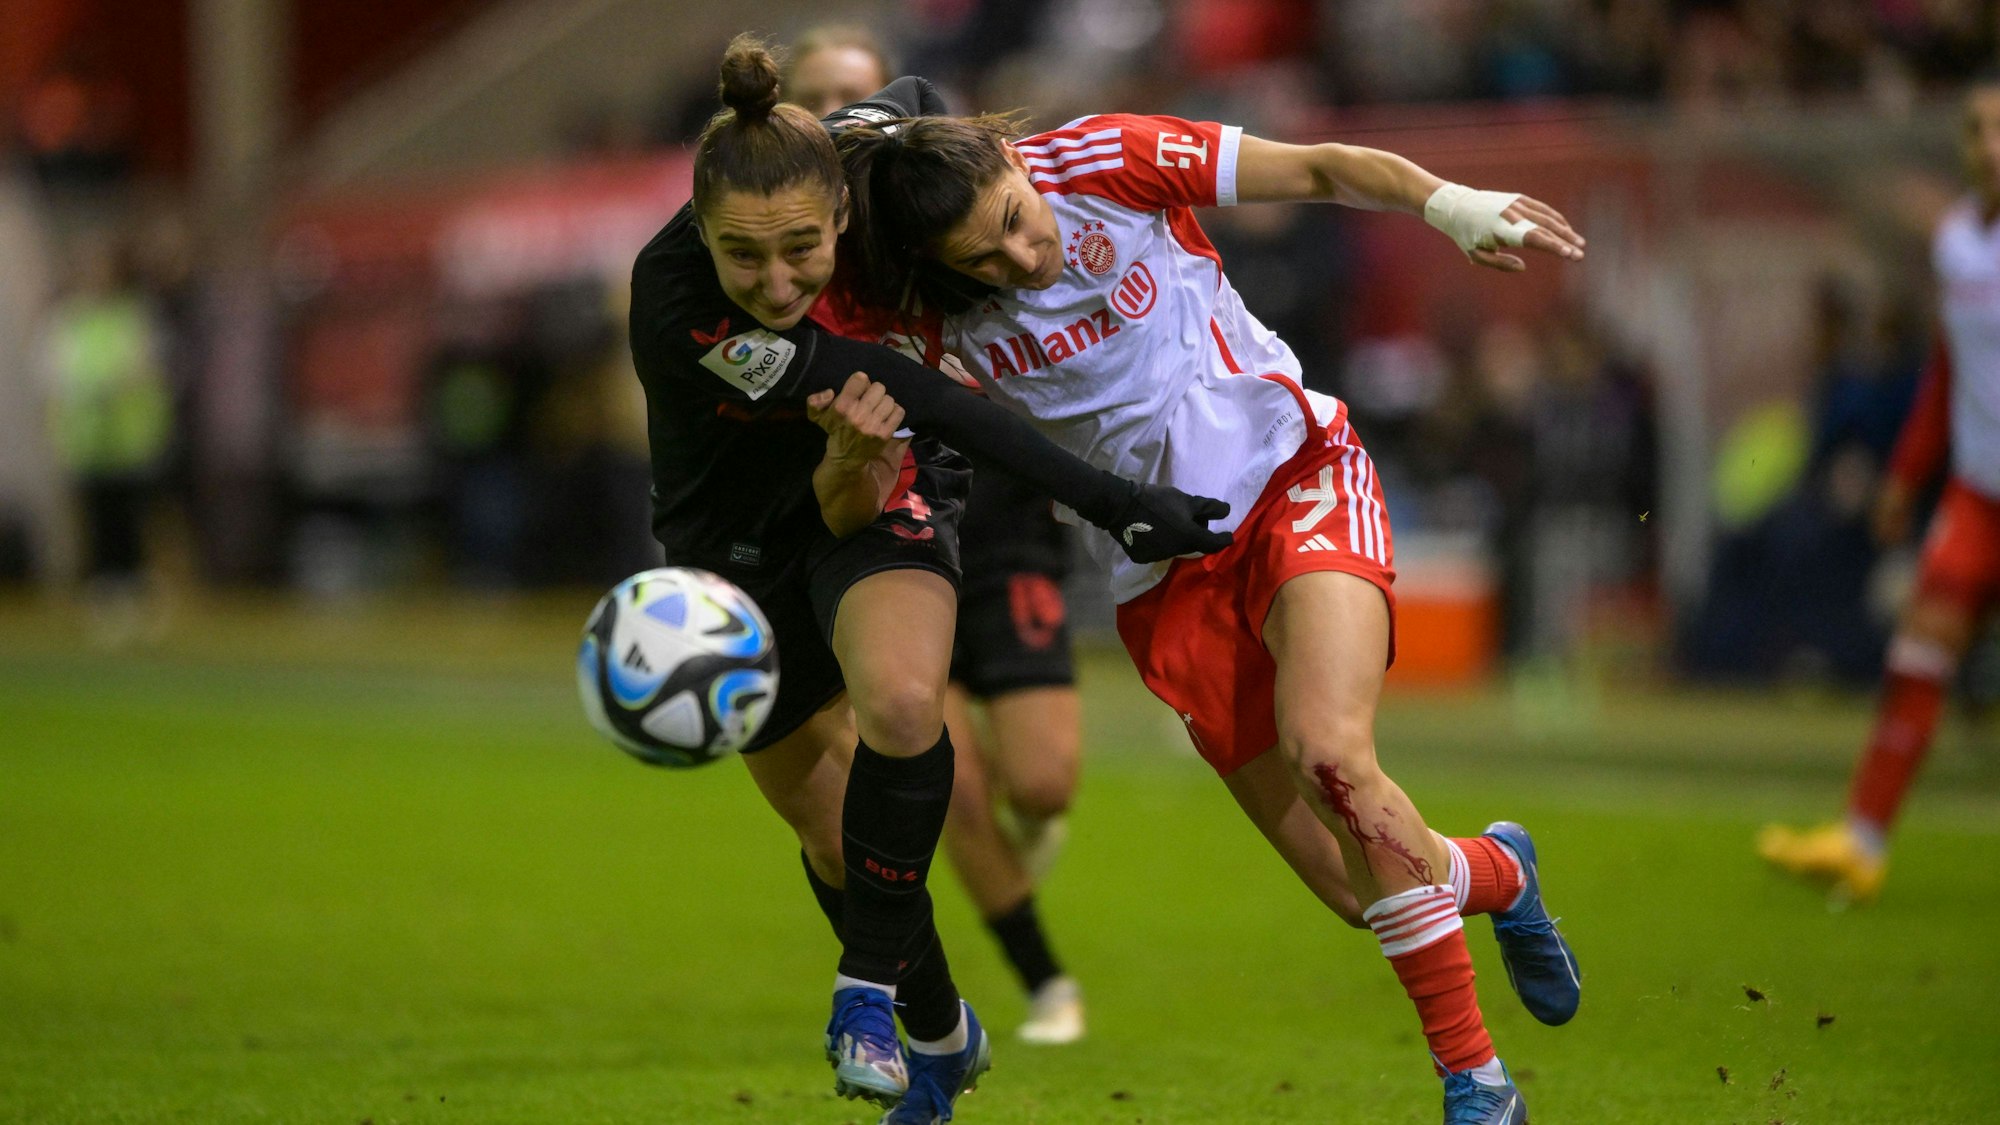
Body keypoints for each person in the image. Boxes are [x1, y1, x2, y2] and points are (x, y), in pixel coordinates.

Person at [837, 111, 1587, 1124]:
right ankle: (1496, 871)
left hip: (1292, 473)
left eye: (1013, 219)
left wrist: (1446, 206)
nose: (1021, 256)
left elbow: (1321, 164)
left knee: (1329, 752)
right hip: (1162, 573)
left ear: (1015, 163)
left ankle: (1477, 1084)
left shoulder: (1109, 158)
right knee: (1349, 886)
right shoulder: (932, 312)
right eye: (984, 255)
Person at [628, 39, 1232, 1124]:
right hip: (734, 552)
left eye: (801, 251)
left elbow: (914, 107)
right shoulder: (684, 306)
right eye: (741, 257)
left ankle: (862, 1000)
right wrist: (1113, 500)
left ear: (840, 214)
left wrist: (906, 155)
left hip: (872, 495)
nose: (776, 285)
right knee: (826, 833)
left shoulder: (862, 158)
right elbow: (925, 389)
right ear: (701, 234)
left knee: (903, 705)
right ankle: (945, 1035)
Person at [784, 27, 1089, 1048]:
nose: (836, 113)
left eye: (851, 97)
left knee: (1041, 779)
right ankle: (1041, 980)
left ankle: (944, 978)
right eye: (814, 97)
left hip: (1004, 522)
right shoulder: (795, 267)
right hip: (895, 532)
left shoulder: (958, 218)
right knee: (939, 765)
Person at [1758, 75, 2000, 906]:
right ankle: (1861, 841)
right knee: (1918, 653)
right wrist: (1907, 471)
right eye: (1977, 132)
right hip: (1976, 494)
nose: (1990, 147)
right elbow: (1948, 370)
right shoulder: (1960, 242)